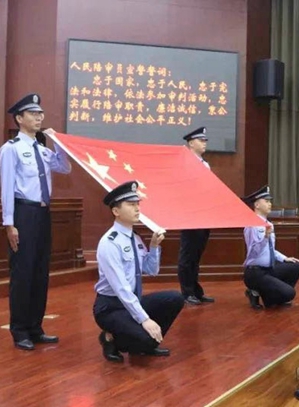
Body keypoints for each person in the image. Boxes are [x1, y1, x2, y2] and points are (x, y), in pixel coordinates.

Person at [0, 93, 72, 350]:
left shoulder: (42, 150)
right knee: (23, 273)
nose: (39, 117)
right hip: (24, 213)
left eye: (40, 113)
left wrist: (57, 143)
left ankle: (35, 327)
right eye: (33, 114)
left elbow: (65, 168)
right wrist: (9, 224)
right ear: (19, 118)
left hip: (43, 215)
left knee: (40, 272)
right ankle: (20, 330)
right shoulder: (11, 149)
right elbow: (6, 188)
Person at [93, 181, 185, 363]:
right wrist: (144, 320)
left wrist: (154, 246)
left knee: (175, 298)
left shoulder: (135, 238)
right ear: (116, 211)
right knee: (146, 339)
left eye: (137, 204)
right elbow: (121, 288)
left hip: (132, 300)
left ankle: (144, 343)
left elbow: (152, 270)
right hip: (111, 306)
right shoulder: (109, 243)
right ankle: (110, 338)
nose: (137, 209)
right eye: (131, 204)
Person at [242, 185, 299, 309]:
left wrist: (284, 258)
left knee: (295, 266)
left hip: (268, 269)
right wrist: (265, 237)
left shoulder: (268, 224)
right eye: (266, 201)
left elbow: (269, 250)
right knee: (289, 293)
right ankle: (256, 291)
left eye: (270, 201)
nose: (270, 204)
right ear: (257, 205)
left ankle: (270, 297)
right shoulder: (251, 225)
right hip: (255, 272)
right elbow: (253, 252)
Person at [177, 127, 214, 305]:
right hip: (190, 214)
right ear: (191, 143)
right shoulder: (184, 162)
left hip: (204, 214)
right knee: (188, 255)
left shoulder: (205, 165)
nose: (204, 143)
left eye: (205, 140)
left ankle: (196, 291)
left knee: (197, 255)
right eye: (201, 140)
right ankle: (187, 293)